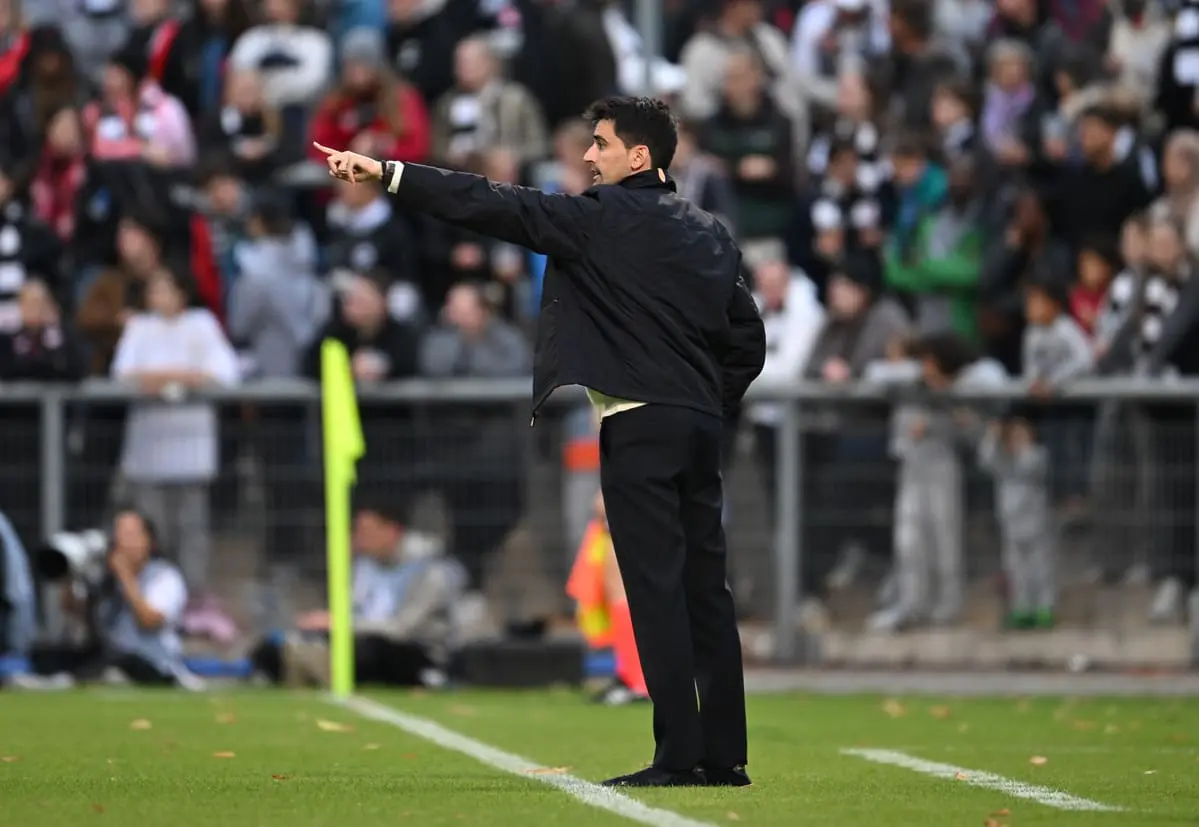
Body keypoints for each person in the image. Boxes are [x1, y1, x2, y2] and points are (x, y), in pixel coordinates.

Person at [315, 95, 766, 788]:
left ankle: (678, 755)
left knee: (653, 590)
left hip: (639, 424)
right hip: (699, 424)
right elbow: (747, 338)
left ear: (638, 157)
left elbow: (489, 202)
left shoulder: (595, 220)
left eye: (602, 144)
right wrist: (707, 399)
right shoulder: (709, 230)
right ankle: (724, 754)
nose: (588, 155)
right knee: (706, 588)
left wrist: (387, 171)